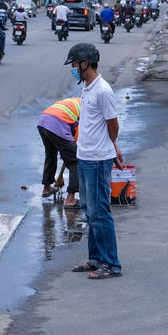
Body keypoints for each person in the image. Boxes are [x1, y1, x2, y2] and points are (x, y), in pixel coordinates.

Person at [65, 42, 122, 279]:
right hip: (85, 157)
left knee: (100, 211)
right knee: (89, 210)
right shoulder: (88, 87)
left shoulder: (103, 91)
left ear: (86, 63)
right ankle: (95, 258)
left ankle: (111, 264)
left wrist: (112, 147)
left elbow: (113, 124)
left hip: (98, 160)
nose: (74, 68)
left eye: (76, 64)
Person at [38, 97, 81, 209]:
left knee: (50, 154)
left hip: (43, 122)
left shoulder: (76, 101)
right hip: (57, 123)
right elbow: (78, 134)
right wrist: (70, 150)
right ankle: (71, 199)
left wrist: (65, 149)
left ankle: (46, 188)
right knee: (75, 161)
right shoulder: (89, 109)